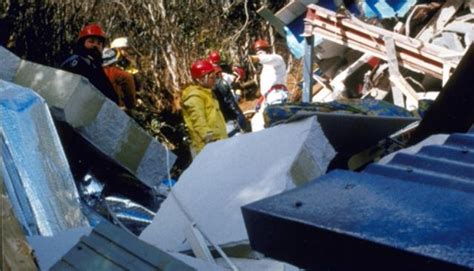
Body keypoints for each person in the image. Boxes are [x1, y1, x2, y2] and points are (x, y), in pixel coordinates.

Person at [61, 23, 118, 103]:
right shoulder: (76, 62)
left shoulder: (96, 66)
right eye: (91, 41)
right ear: (82, 43)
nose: (95, 45)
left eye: (99, 43)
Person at [181, 59, 228, 157]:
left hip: (219, 142)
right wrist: (211, 141)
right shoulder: (194, 98)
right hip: (208, 148)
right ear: (200, 79)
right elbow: (199, 122)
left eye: (215, 76)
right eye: (212, 77)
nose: (215, 80)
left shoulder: (207, 93)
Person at [249, 39, 288, 131]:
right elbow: (266, 89)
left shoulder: (277, 59)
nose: (259, 54)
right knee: (256, 122)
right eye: (257, 53)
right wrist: (260, 100)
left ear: (268, 51)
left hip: (277, 95)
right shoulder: (264, 70)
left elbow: (269, 58)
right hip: (267, 98)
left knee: (276, 122)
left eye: (261, 52)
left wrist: (258, 58)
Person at [212, 64, 251, 134]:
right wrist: (237, 96)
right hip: (232, 115)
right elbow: (229, 101)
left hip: (225, 117)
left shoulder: (212, 87)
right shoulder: (221, 83)